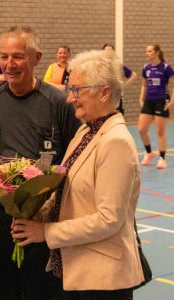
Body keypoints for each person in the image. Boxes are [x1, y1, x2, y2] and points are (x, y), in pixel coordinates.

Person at [11, 50, 144, 299]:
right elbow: (67, 188)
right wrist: (39, 213)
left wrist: (46, 232)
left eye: (77, 90)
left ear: (104, 92)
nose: (70, 99)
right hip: (79, 268)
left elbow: (108, 219)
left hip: (104, 278)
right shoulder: (85, 132)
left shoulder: (116, 142)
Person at [0, 25, 80, 300]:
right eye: (3, 56)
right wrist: (0, 189)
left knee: (42, 292)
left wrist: (45, 205)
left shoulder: (59, 103)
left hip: (42, 219)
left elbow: (73, 158)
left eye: (17, 56)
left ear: (37, 58)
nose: (9, 64)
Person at [138, 44, 174, 169]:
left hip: (161, 101)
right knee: (141, 129)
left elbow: (173, 86)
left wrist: (171, 102)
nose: (147, 53)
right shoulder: (146, 68)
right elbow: (144, 85)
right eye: (146, 51)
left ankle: (162, 159)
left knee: (160, 131)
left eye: (149, 51)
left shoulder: (166, 68)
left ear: (157, 52)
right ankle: (149, 153)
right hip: (148, 101)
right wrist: (141, 99)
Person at [102, 43, 138, 114]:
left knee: (117, 120)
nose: (108, 53)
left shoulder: (118, 66)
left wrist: (123, 86)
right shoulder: (100, 66)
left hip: (116, 98)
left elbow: (133, 75)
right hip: (103, 98)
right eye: (106, 51)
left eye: (111, 51)